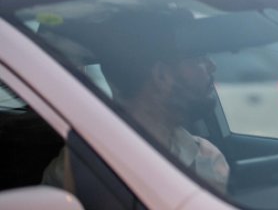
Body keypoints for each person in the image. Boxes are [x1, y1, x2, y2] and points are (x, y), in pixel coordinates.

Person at [42, 10, 229, 193]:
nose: (212, 66)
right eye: (199, 57)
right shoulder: (80, 168)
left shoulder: (206, 158)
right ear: (162, 76)